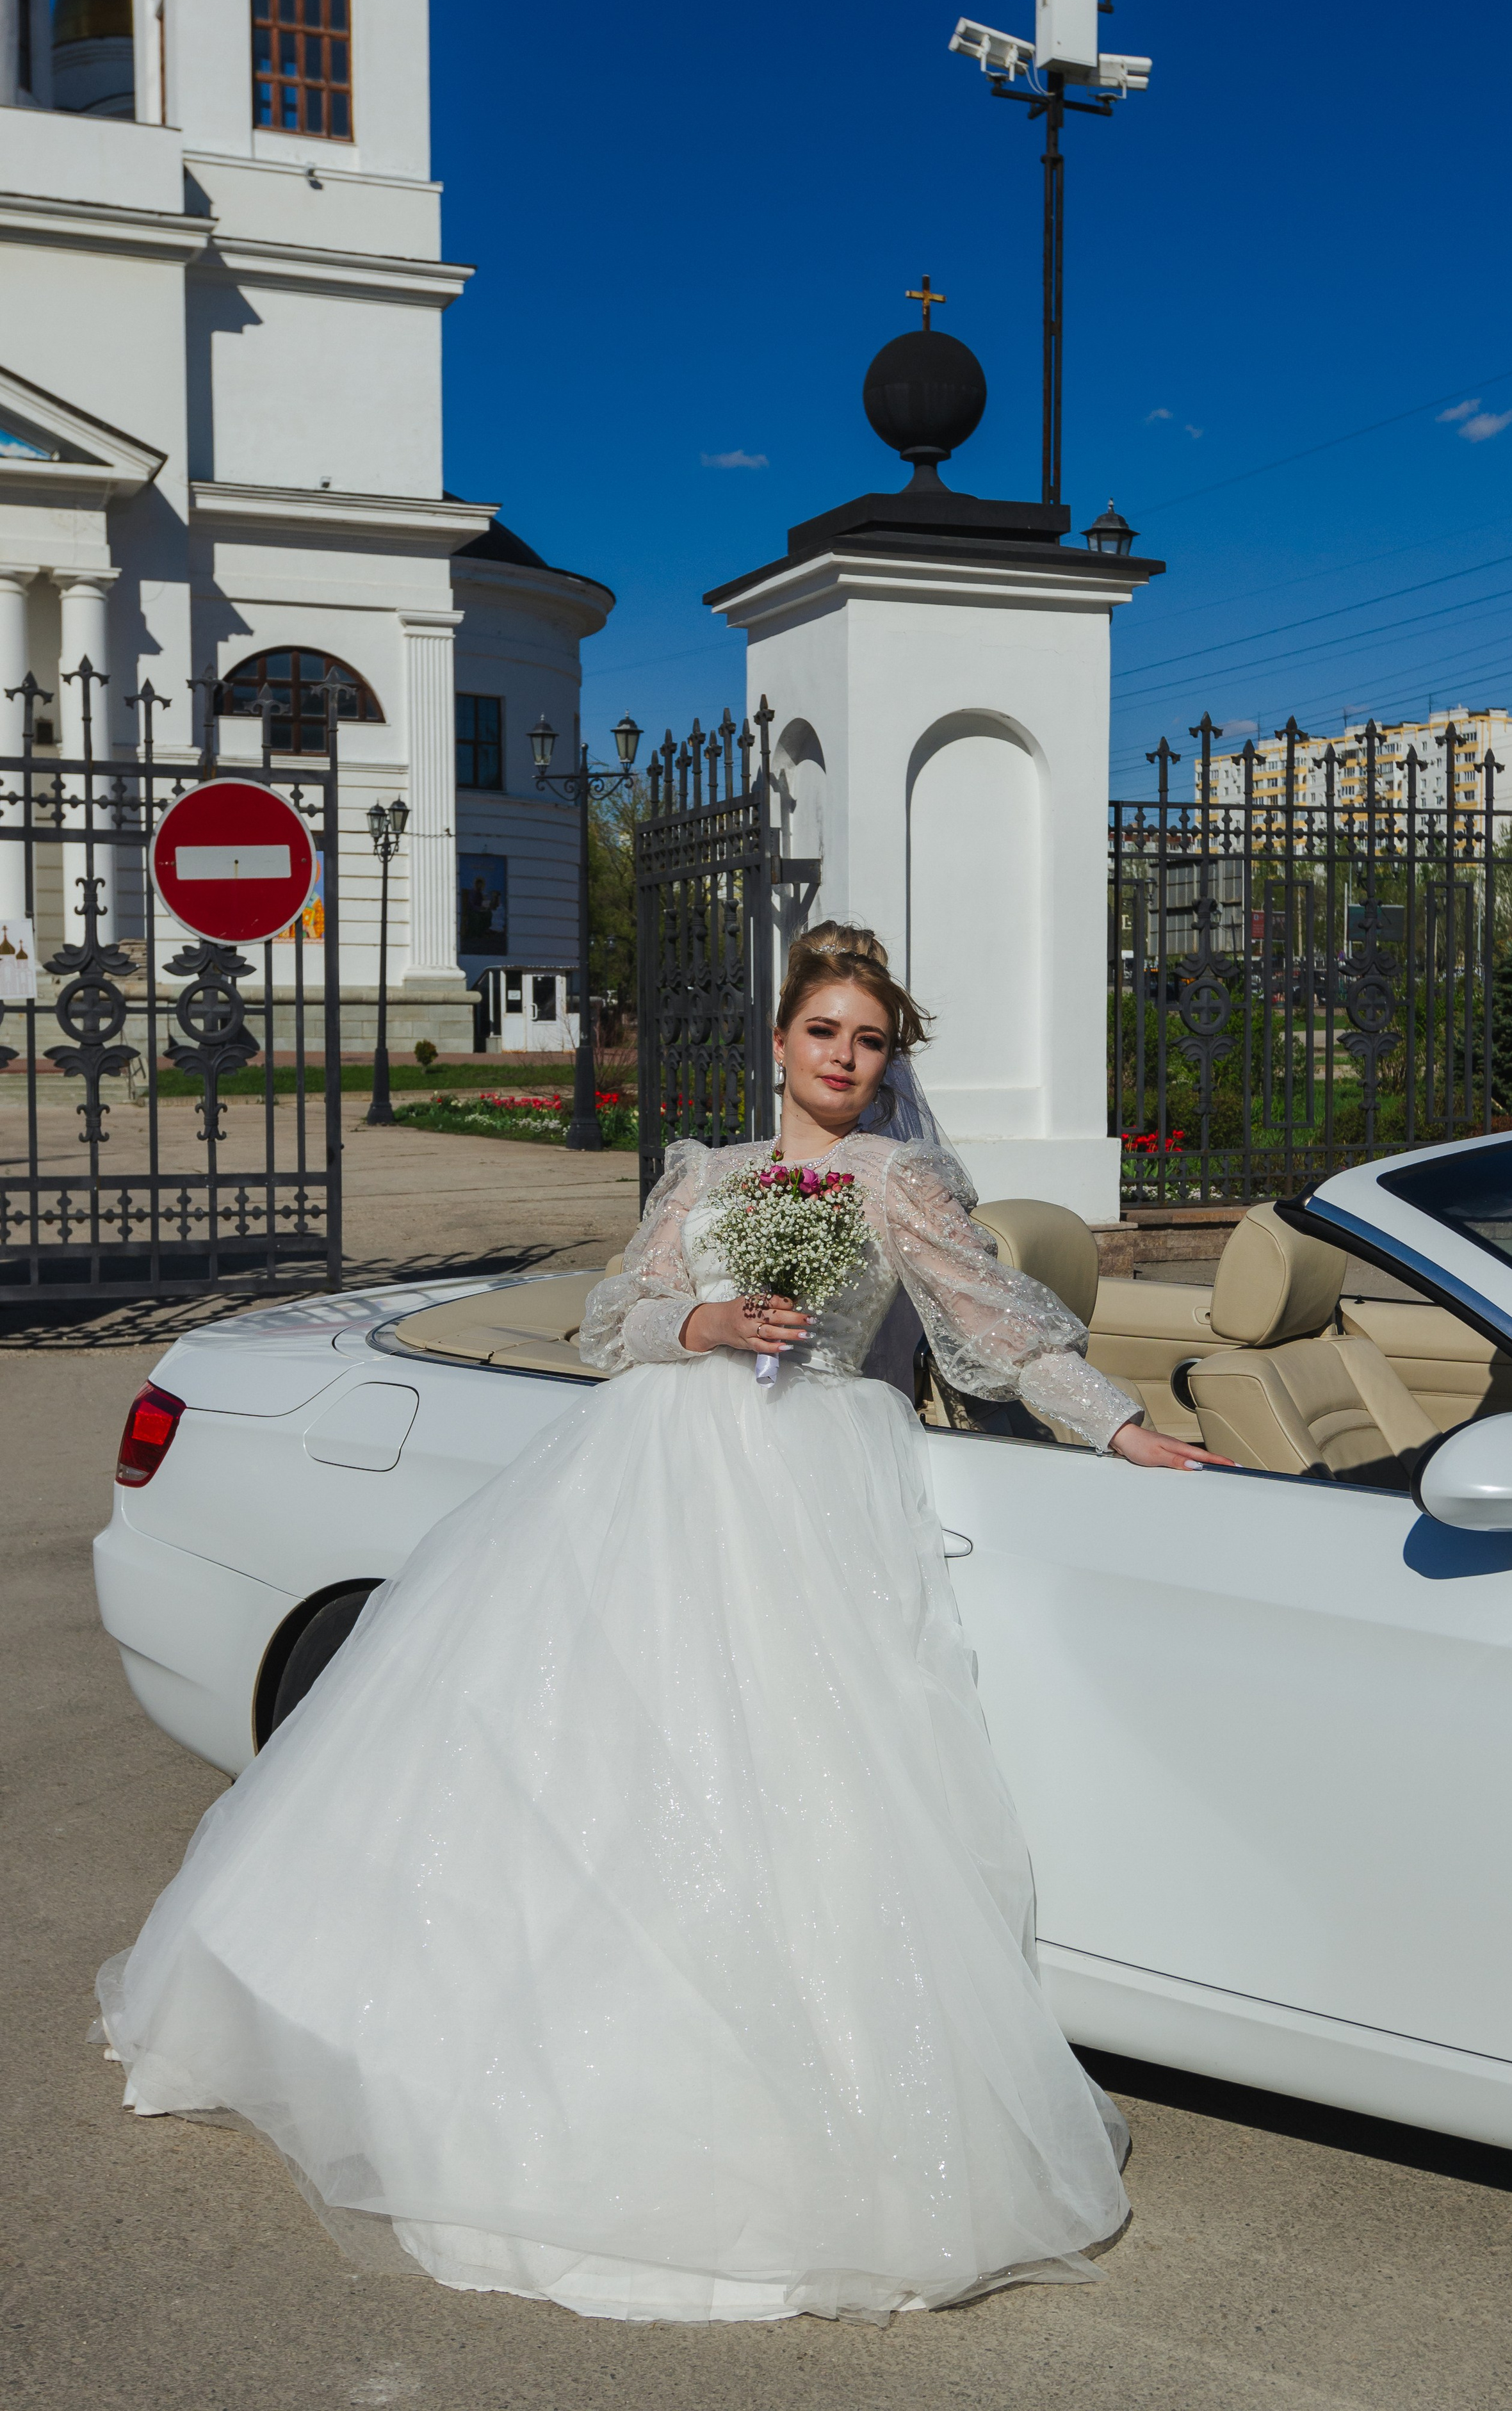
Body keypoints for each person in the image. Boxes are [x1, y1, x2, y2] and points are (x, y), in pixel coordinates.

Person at [97, 923, 1217, 2325]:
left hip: (809, 1478)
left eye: (870, 1043)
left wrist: (1122, 1433)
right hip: (648, 1471)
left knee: (785, 1773)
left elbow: (1002, 1330)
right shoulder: (705, 1175)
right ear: (779, 1042)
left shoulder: (900, 1179)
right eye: (825, 1034)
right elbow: (610, 1321)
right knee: (590, 1751)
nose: (846, 1062)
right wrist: (700, 1327)